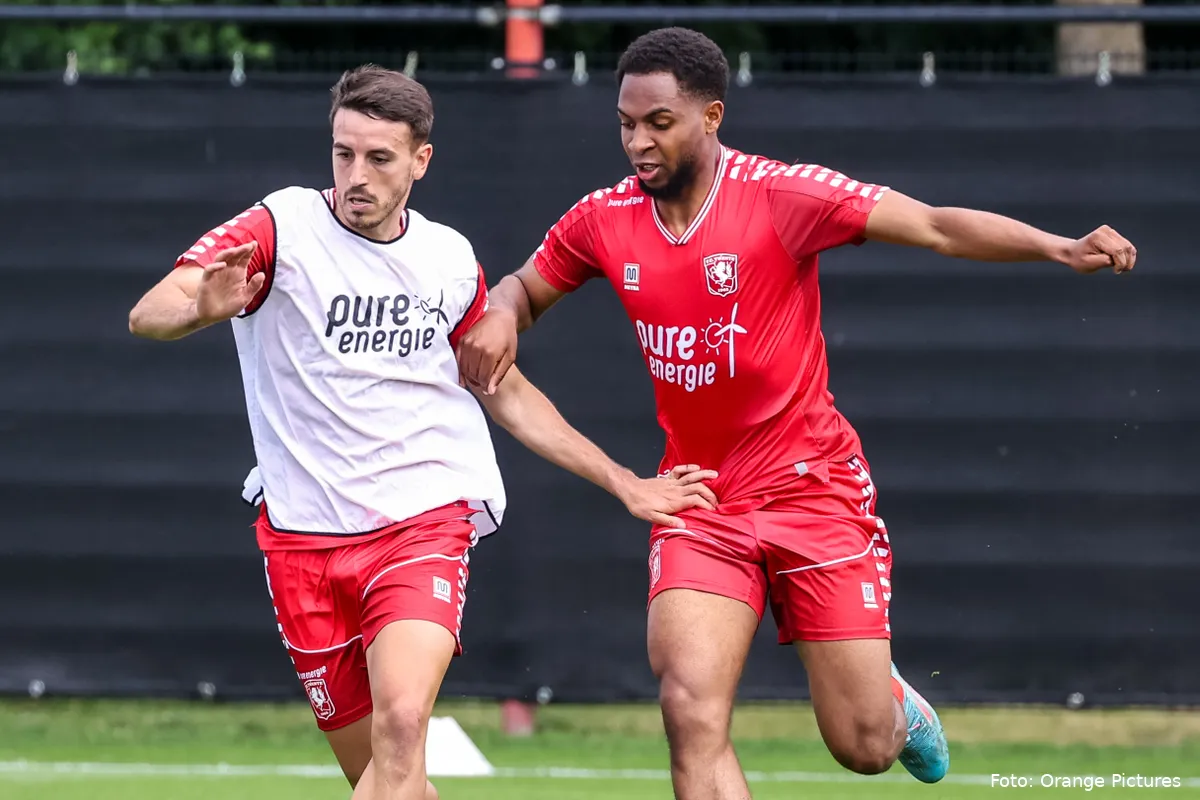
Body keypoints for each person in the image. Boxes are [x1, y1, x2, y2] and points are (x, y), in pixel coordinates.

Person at [457, 27, 1137, 796]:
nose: (637, 142)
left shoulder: (783, 196)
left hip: (814, 491)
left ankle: (893, 705)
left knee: (863, 747)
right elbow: (523, 284)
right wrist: (506, 311)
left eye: (659, 123)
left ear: (711, 117)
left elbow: (937, 226)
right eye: (625, 123)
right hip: (699, 498)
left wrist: (1058, 247)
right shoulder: (602, 219)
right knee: (688, 708)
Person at [127, 64, 718, 800]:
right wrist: (199, 308)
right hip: (303, 541)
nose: (356, 175)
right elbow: (151, 309)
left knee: (403, 724)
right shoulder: (281, 226)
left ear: (420, 160)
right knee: (384, 779)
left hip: (421, 524)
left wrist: (624, 481)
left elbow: (503, 391)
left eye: (379, 158)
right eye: (344, 154)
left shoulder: (445, 260)